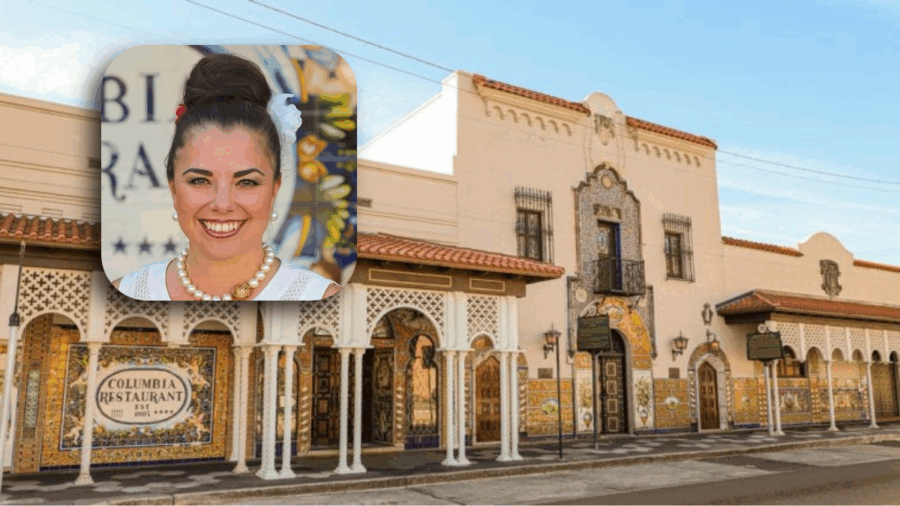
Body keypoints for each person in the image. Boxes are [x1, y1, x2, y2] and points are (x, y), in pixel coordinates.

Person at [113, 53, 340, 301]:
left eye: (247, 182)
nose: (222, 204)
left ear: (274, 189)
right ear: (174, 189)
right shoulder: (127, 291)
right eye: (199, 180)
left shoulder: (320, 297)